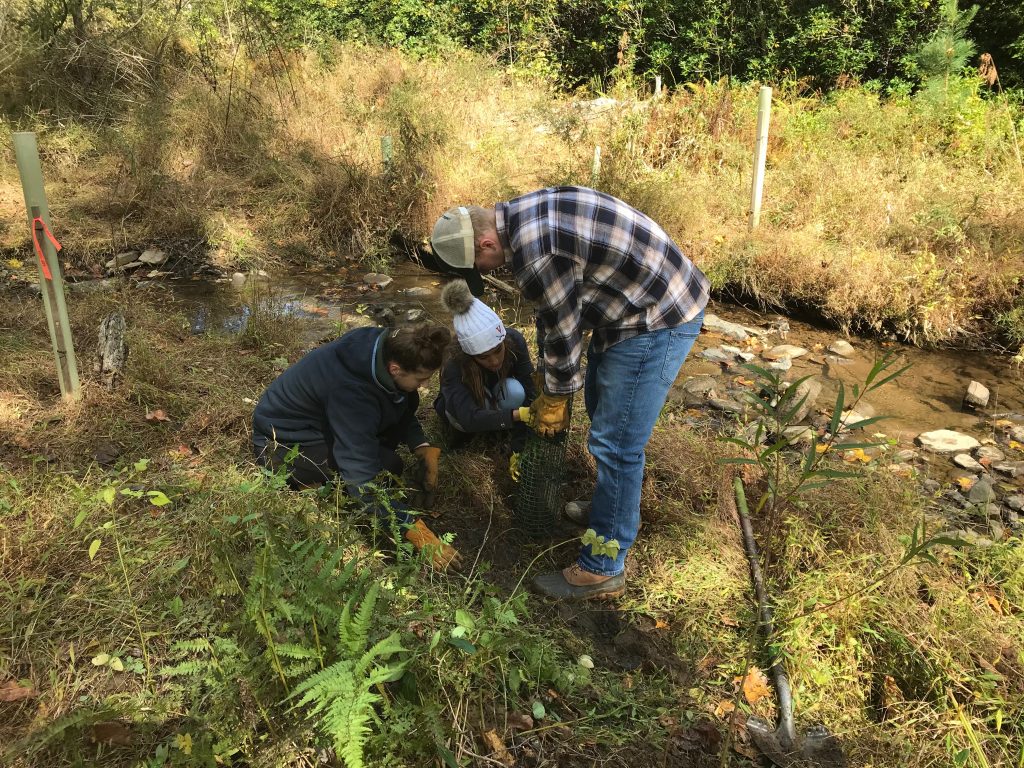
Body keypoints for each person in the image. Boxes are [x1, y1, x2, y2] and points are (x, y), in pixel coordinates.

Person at [430, 188, 709, 599]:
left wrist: (556, 396)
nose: (486, 273)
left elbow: (564, 327)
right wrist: (547, 378)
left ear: (487, 243)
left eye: (480, 265)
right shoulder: (522, 214)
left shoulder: (535, 253)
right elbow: (553, 312)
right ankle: (606, 511)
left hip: (656, 316)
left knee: (616, 444)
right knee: (602, 414)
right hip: (624, 309)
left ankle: (603, 567)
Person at [251, 323, 459, 569]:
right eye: (422, 379)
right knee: (387, 466)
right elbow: (362, 481)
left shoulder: (384, 347)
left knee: (386, 454)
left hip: (324, 422)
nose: (425, 386)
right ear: (395, 369)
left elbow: (399, 400)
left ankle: (328, 476)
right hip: (282, 443)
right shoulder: (351, 394)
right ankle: (307, 483)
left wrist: (421, 445)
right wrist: (412, 528)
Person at [434, 279, 536, 464]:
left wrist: (518, 445)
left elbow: (530, 390)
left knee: (516, 390)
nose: (495, 361)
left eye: (498, 350)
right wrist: (517, 415)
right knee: (460, 421)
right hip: (462, 412)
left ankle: (500, 427)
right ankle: (468, 437)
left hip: (495, 394)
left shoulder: (514, 341)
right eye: (483, 357)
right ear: (470, 355)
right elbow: (467, 417)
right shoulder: (453, 363)